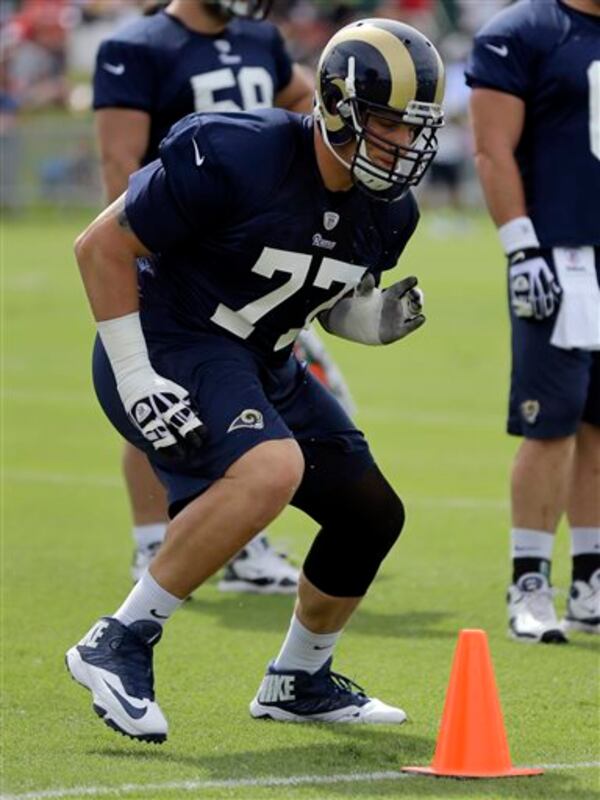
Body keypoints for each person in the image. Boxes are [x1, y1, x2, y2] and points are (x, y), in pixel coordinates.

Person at [65, 17, 445, 742]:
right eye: (389, 123)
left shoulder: (391, 210)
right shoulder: (237, 150)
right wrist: (136, 371)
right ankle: (118, 639)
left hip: (263, 354)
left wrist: (370, 323)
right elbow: (98, 248)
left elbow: (317, 297)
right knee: (272, 468)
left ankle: (299, 679)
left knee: (370, 515)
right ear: (336, 106)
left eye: (415, 127)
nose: (405, 143)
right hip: (170, 336)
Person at [93, 0, 353, 593]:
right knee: (159, 399)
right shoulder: (140, 45)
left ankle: (241, 541)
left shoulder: (260, 38)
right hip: (179, 243)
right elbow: (119, 163)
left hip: (255, 247)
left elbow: (306, 101)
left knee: (253, 396)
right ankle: (153, 541)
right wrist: (143, 248)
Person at [466, 0, 600, 643]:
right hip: (562, 257)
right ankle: (530, 583)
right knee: (552, 422)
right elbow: (492, 148)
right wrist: (521, 246)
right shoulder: (520, 32)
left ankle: (590, 582)